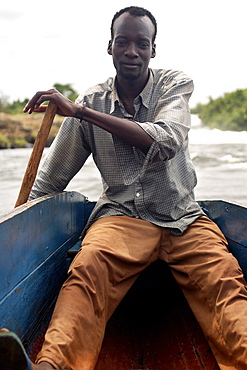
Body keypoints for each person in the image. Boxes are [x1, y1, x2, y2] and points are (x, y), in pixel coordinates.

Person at [1, 5, 247, 370]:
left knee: (224, 279)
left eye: (141, 44)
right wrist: (17, 230)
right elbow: (50, 183)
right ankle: (53, 366)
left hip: (183, 218)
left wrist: (81, 112)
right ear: (110, 46)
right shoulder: (91, 101)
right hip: (122, 218)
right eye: (123, 42)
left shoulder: (173, 85)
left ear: (153, 50)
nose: (132, 51)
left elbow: (165, 142)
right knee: (87, 271)